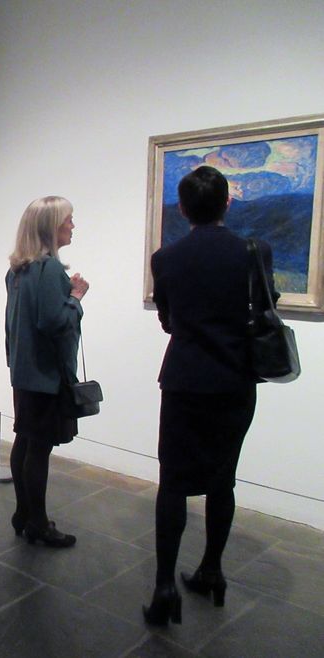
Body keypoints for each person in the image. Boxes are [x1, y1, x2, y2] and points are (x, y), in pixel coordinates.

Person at [143, 165, 278, 626]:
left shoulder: (166, 259)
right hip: (235, 381)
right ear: (226, 203)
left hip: (183, 381)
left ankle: (164, 589)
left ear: (182, 209)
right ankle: (212, 571)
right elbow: (266, 308)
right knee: (224, 479)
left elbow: (167, 320)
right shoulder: (254, 252)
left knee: (173, 482)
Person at [5, 196, 89, 548]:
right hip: (45, 374)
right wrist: (76, 297)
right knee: (37, 448)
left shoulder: (17, 269)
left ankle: (23, 513)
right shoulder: (51, 269)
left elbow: (13, 324)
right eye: (68, 220)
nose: (73, 225)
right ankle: (37, 522)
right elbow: (55, 322)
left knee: (25, 440)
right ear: (51, 226)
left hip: (24, 371)